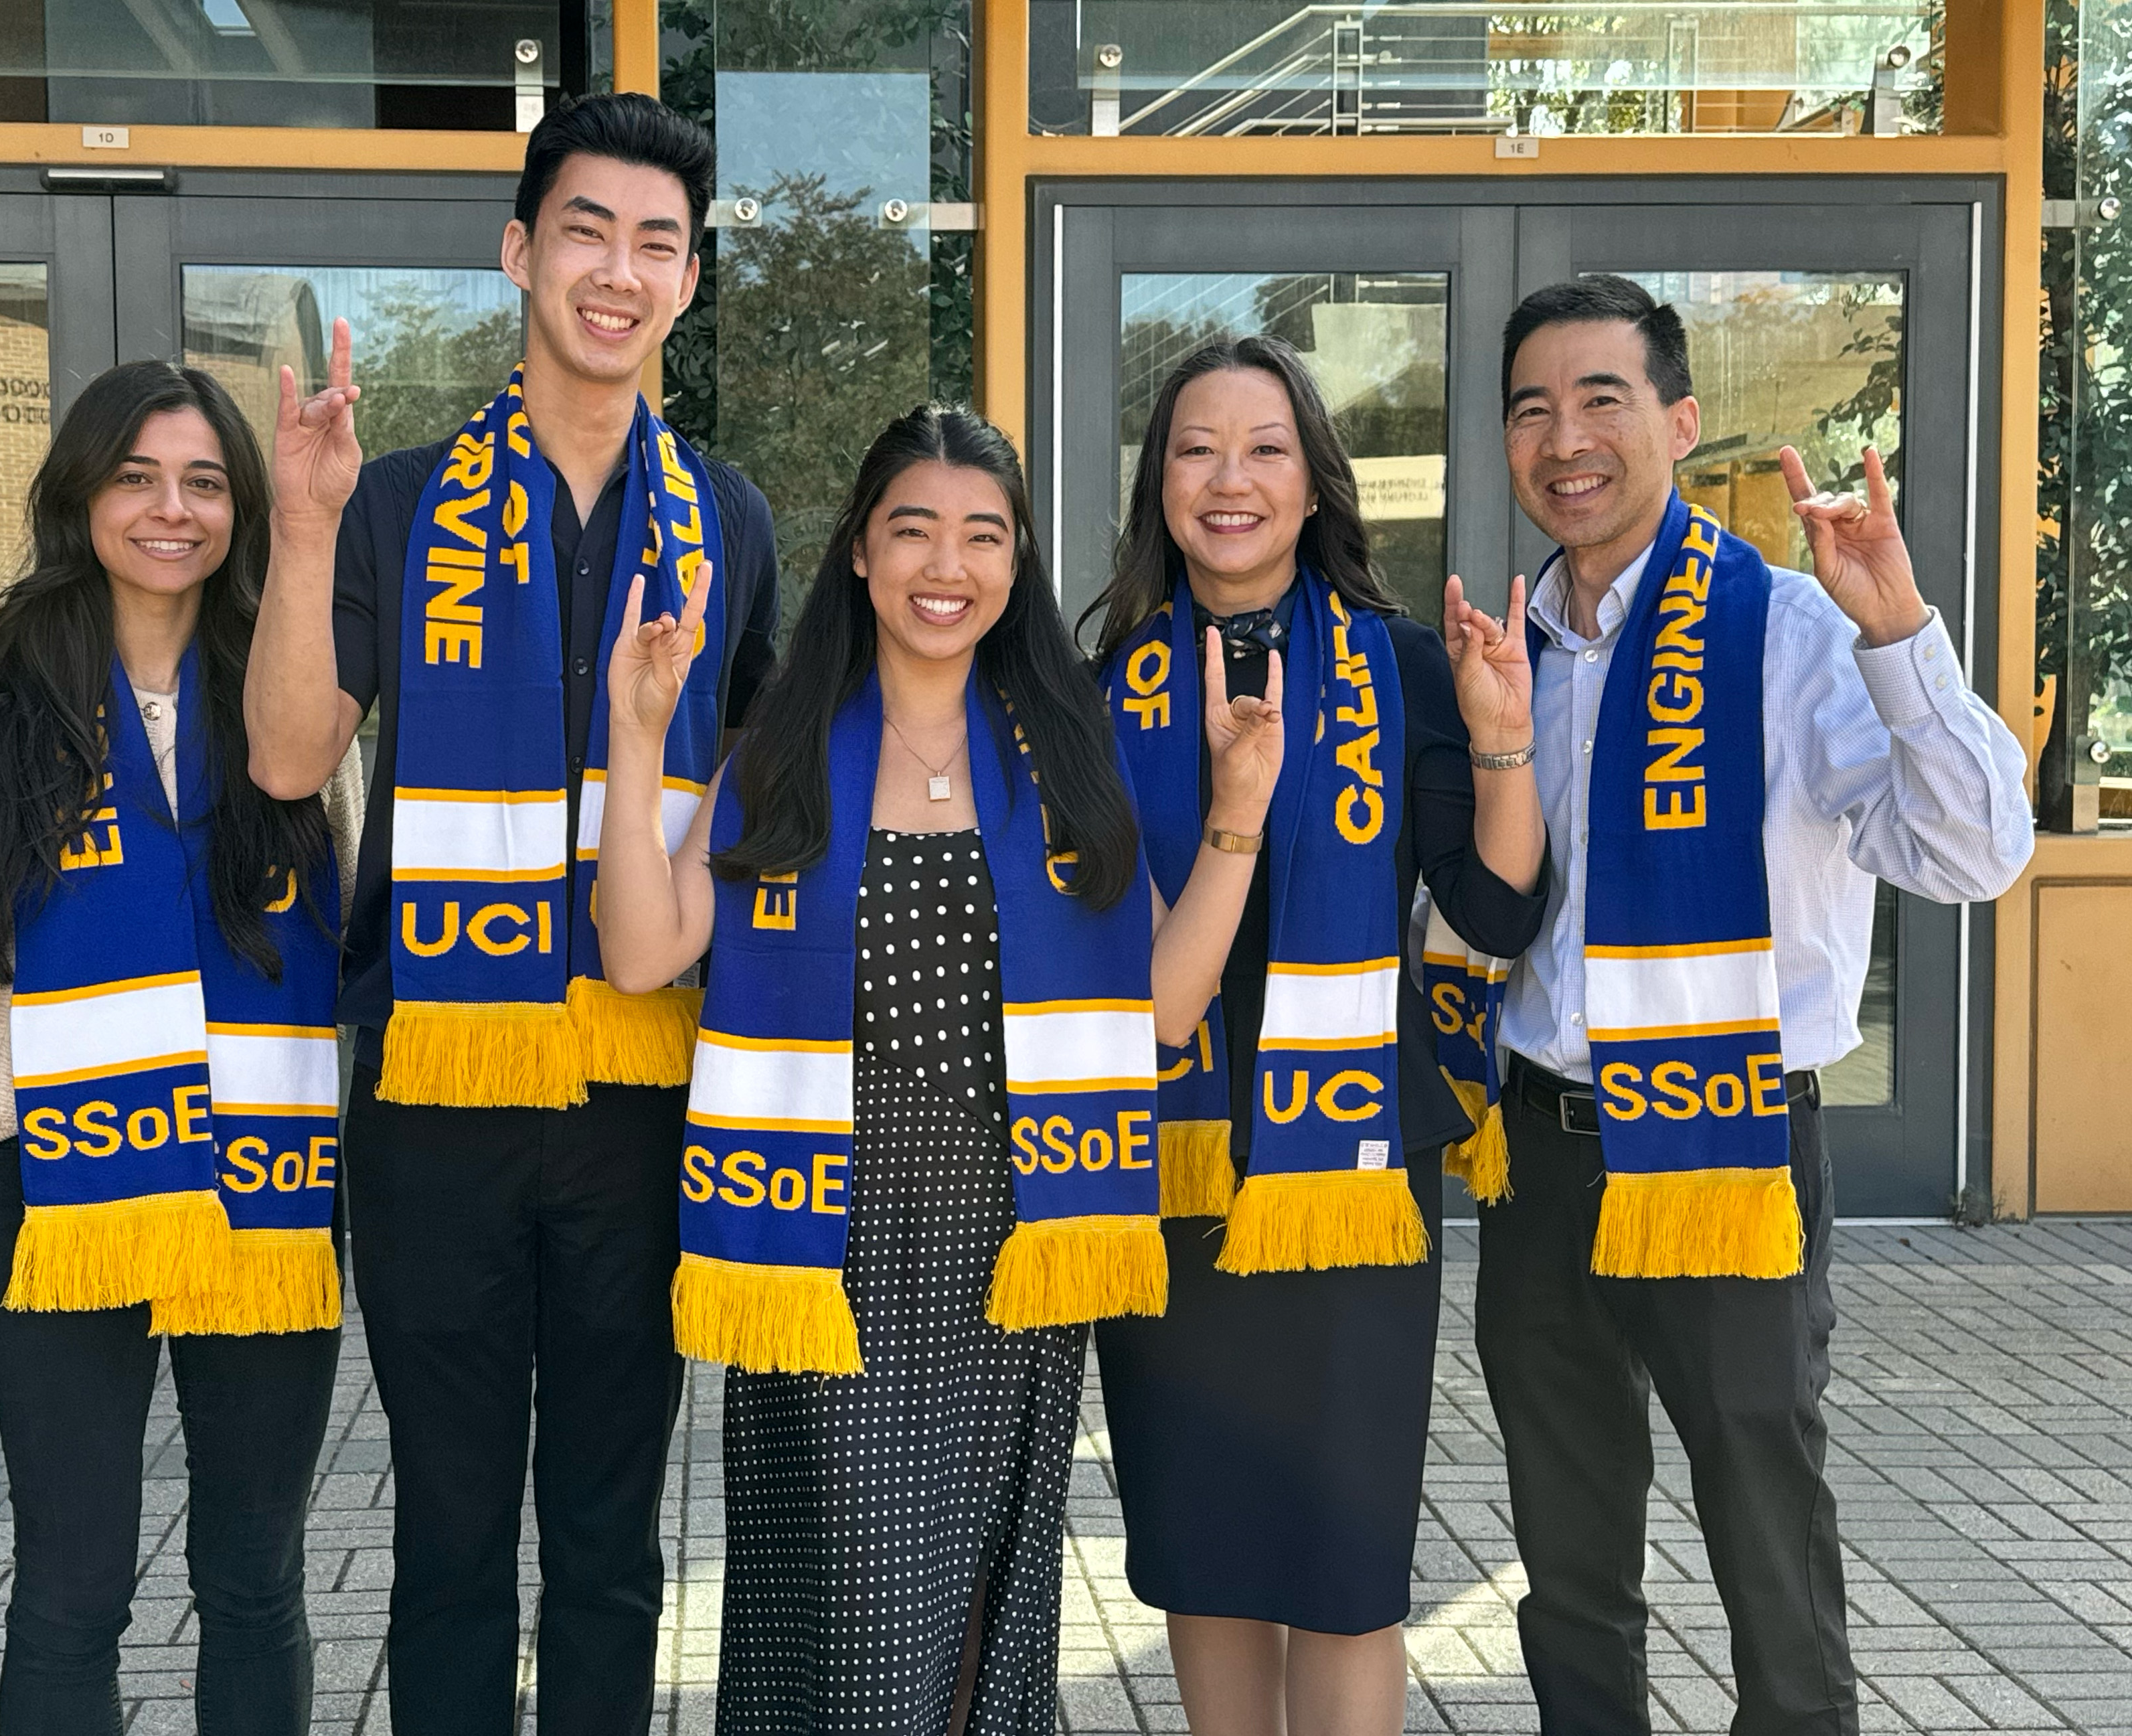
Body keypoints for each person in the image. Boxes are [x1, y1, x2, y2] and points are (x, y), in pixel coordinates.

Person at [240, 92, 779, 1733]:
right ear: (519, 253)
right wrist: (309, 517)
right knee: (451, 1532)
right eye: (586, 233)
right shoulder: (398, 500)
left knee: (613, 1540)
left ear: (688, 282)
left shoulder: (730, 523)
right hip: (436, 1098)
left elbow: (752, 820)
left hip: (638, 1092)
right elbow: (282, 754)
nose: (617, 272)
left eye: (656, 245)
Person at [1476, 274, 2034, 1736]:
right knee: (1563, 1541)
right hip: (1541, 1154)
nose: (1564, 437)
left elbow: (1973, 854)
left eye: (1601, 398)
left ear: (1678, 420)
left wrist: (1899, 630)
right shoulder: (1502, 652)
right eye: (1530, 407)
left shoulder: (1789, 630)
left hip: (1727, 1151)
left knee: (1762, 1530)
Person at [0, 360, 365, 1735]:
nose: (170, 510)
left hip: (268, 1187)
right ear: (79, 494)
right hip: (58, 1187)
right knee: (72, 1583)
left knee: (255, 1579)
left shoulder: (304, 698)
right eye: (135, 476)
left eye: (204, 482)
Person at [596, 404, 1163, 1733]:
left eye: (982, 535)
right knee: (845, 1604)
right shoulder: (783, 753)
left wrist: (1242, 827)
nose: (944, 564)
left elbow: (1153, 992)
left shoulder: (1063, 758)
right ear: (858, 550)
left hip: (1011, 1236)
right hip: (825, 1236)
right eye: (913, 529)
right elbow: (639, 952)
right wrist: (636, 736)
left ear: (1015, 564)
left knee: (982, 1596)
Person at [1081, 335, 1549, 1736]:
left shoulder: (1401, 662)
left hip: (1348, 1185)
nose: (1228, 480)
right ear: (1156, 481)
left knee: (1346, 1569)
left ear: (1311, 482)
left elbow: (1494, 906)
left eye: (1264, 448)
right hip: (1161, 1172)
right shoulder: (1098, 678)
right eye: (1194, 448)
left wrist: (1502, 735)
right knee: (1203, 1549)